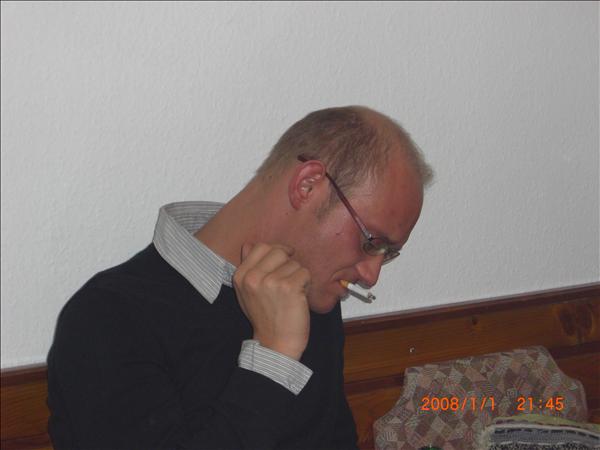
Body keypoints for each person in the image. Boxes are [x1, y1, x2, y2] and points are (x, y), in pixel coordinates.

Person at [47, 105, 434, 449]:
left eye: (387, 253)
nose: (370, 275)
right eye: (370, 242)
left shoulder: (310, 292)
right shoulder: (107, 318)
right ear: (308, 186)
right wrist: (273, 355)